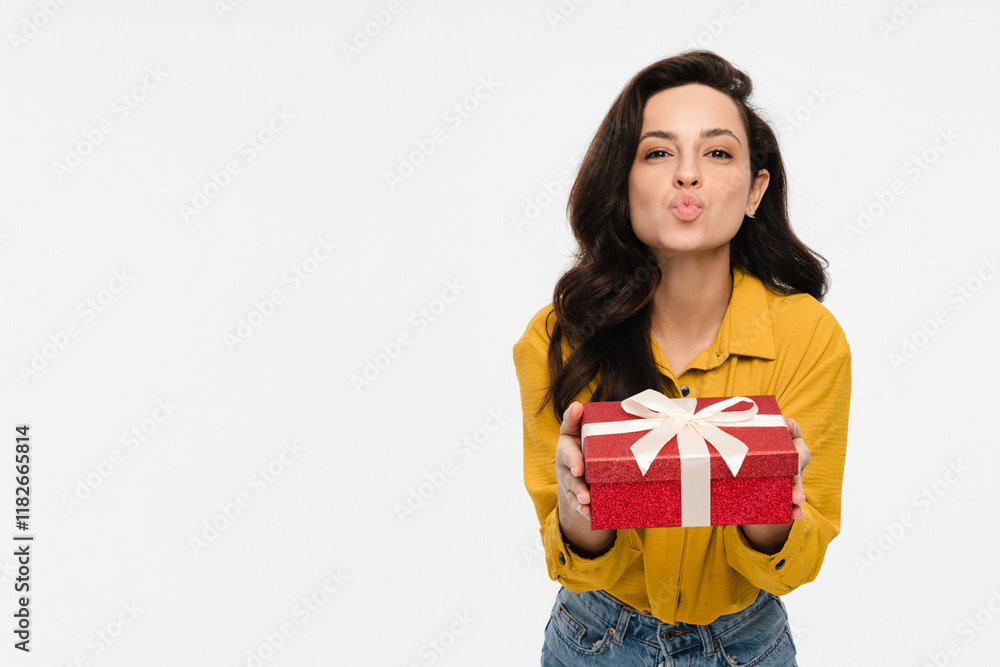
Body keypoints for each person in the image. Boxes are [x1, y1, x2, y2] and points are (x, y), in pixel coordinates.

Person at [512, 50, 851, 666]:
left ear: (755, 191)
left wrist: (775, 504)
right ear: (623, 183)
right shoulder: (558, 337)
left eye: (717, 152)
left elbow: (795, 566)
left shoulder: (810, 336)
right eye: (658, 152)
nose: (687, 174)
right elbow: (576, 566)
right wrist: (578, 506)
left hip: (747, 643)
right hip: (594, 641)